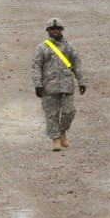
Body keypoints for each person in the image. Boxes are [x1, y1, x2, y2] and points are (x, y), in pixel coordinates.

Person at [31, 18, 86, 152]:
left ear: (61, 30)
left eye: (57, 28)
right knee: (51, 114)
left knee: (69, 111)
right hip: (49, 87)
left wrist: (82, 81)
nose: (55, 31)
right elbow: (36, 67)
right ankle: (55, 139)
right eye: (52, 29)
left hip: (67, 85)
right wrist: (37, 85)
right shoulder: (41, 48)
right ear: (48, 31)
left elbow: (77, 64)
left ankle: (62, 131)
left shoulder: (69, 46)